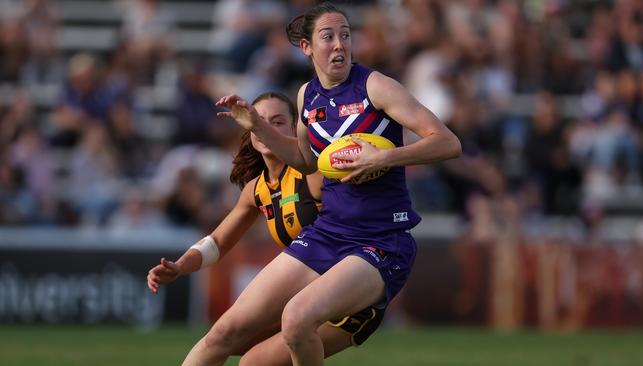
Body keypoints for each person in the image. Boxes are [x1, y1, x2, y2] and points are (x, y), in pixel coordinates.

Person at [212, 3, 462, 365]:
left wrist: (384, 157)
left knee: (296, 318)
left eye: (345, 35)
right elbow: (305, 160)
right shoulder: (306, 96)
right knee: (231, 339)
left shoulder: (375, 86)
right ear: (307, 47)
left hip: (382, 241)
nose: (340, 45)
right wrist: (257, 124)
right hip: (330, 233)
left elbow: (448, 143)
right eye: (328, 37)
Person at [146, 92, 384, 365]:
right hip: (301, 297)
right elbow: (217, 242)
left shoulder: (315, 171)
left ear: (296, 129)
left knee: (246, 356)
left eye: (278, 121)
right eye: (259, 120)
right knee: (226, 338)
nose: (267, 128)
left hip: (349, 299)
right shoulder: (256, 189)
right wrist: (180, 266)